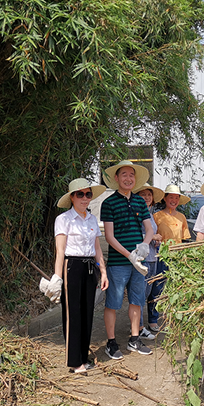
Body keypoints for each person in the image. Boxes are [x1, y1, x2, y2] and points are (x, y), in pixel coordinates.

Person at [43, 178, 108, 373]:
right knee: (73, 313)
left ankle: (84, 356)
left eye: (88, 194)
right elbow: (60, 251)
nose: (85, 198)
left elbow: (97, 248)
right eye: (80, 194)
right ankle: (74, 361)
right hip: (71, 266)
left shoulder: (91, 219)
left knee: (88, 312)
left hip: (90, 267)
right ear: (72, 197)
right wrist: (57, 278)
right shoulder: (63, 219)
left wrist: (103, 271)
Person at [100, 160, 156, 359]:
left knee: (136, 301)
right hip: (119, 262)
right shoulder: (109, 203)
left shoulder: (140, 201)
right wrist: (129, 255)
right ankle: (111, 342)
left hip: (138, 263)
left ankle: (134, 338)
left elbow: (148, 229)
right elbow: (109, 236)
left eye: (131, 175)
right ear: (116, 178)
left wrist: (144, 245)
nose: (128, 178)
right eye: (124, 174)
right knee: (113, 303)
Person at [133, 183, 165, 336]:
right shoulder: (136, 213)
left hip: (153, 258)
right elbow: (135, 233)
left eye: (149, 195)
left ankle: (142, 325)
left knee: (149, 293)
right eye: (142, 194)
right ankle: (138, 328)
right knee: (140, 294)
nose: (146, 197)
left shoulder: (150, 214)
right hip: (143, 259)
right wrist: (153, 236)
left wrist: (156, 239)